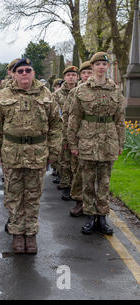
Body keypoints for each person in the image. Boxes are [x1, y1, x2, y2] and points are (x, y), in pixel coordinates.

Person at [0, 58, 62, 254]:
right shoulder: (4, 94)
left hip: (37, 153)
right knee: (13, 196)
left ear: (33, 73)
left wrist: (53, 151)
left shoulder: (46, 94)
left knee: (33, 196)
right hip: (12, 152)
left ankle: (30, 235)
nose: (24, 74)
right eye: (20, 71)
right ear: (13, 74)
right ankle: (16, 234)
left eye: (27, 70)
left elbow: (56, 125)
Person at [68, 52, 125, 235]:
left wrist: (120, 144)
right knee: (87, 181)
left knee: (105, 181)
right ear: (92, 67)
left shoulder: (115, 90)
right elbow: (74, 118)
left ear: (107, 67)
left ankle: (102, 216)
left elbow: (119, 120)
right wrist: (73, 144)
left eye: (104, 64)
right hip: (88, 141)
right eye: (97, 64)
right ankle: (90, 216)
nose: (101, 67)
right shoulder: (81, 90)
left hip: (108, 141)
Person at [68, 61, 93, 217]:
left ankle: (92, 204)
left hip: (96, 139)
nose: (87, 75)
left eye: (89, 72)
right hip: (80, 138)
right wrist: (70, 140)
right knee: (78, 171)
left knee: (94, 174)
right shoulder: (75, 92)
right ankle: (79, 201)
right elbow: (70, 117)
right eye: (84, 73)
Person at [54, 66, 79, 201]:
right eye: (68, 75)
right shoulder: (57, 95)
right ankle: (66, 186)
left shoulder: (80, 91)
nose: (71, 77)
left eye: (73, 75)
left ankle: (75, 187)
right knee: (65, 160)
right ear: (64, 77)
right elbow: (56, 115)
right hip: (63, 130)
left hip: (78, 132)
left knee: (76, 163)